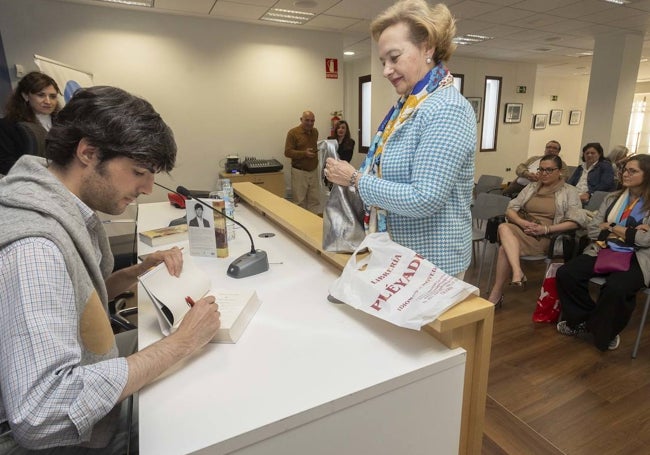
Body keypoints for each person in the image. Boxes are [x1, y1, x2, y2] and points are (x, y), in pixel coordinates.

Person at [0, 86, 221, 452]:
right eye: (138, 172)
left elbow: (75, 296)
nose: (147, 188)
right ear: (88, 152)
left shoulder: (55, 196)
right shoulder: (35, 249)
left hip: (88, 365)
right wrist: (181, 343)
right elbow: (42, 413)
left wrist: (136, 271)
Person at [324, 0, 476, 278]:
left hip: (430, 262)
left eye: (394, 57)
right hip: (396, 251)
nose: (386, 70)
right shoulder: (409, 106)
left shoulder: (446, 108)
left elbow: (424, 199)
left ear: (427, 48)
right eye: (384, 61)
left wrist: (355, 179)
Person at [556, 154, 650, 351]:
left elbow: (645, 240)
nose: (625, 173)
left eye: (633, 171)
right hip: (604, 249)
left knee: (617, 288)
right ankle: (586, 320)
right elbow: (593, 229)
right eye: (625, 169)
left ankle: (604, 332)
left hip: (638, 257)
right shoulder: (612, 198)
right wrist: (628, 233)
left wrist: (612, 227)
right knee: (567, 273)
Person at [486, 154, 584, 306]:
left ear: (559, 172)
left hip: (547, 237)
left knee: (504, 249)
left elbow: (576, 222)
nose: (543, 173)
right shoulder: (532, 186)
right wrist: (521, 222)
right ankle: (517, 271)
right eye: (541, 169)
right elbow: (511, 208)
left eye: (549, 170)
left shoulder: (569, 191)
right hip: (523, 229)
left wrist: (546, 229)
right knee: (503, 226)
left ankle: (497, 293)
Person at [0, 71, 61, 174]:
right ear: (25, 96)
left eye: (52, 96)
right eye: (41, 95)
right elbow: (5, 163)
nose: (48, 101)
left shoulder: (64, 122)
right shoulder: (8, 125)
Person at [501, 140, 569, 197]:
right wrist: (527, 174)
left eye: (554, 148)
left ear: (558, 151)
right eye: (548, 147)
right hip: (517, 185)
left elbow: (563, 178)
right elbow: (519, 168)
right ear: (545, 149)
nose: (551, 149)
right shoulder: (534, 159)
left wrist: (540, 179)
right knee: (500, 198)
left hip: (536, 190)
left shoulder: (561, 164)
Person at [284, 110, 320, 213]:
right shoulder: (292, 133)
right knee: (299, 202)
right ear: (301, 120)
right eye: (307, 120)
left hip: (313, 171)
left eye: (312, 121)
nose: (310, 123)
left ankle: (313, 225)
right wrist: (304, 153)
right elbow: (287, 152)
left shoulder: (315, 132)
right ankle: (300, 227)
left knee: (314, 200)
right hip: (299, 172)